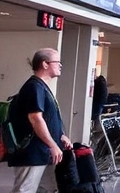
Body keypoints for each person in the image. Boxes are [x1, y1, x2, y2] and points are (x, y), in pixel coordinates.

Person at [7, 48, 73, 193]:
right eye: (57, 62)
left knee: (46, 189)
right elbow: (36, 119)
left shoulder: (42, 87)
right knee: (25, 189)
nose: (60, 65)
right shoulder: (34, 87)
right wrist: (52, 144)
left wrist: (60, 135)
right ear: (45, 64)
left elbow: (48, 118)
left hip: (43, 152)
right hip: (32, 152)